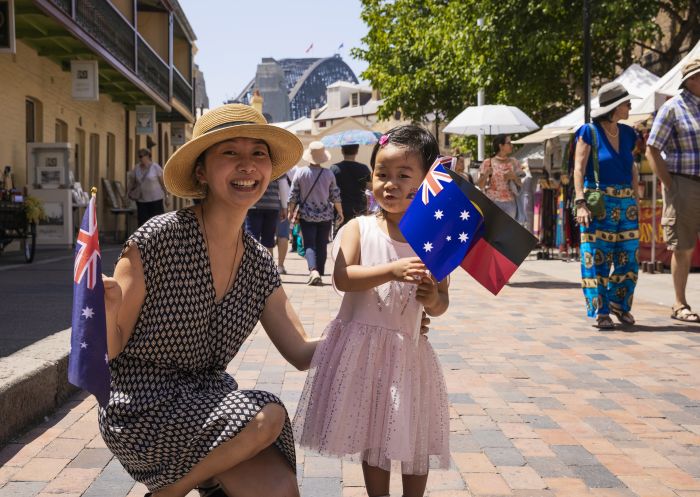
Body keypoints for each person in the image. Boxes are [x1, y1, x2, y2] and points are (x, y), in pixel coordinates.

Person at [99, 104, 320, 497]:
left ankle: (193, 483)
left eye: (258, 154)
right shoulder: (159, 238)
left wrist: (371, 327)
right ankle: (171, 491)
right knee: (266, 414)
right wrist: (108, 308)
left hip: (210, 402)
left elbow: (302, 352)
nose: (248, 165)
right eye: (230, 153)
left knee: (280, 488)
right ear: (201, 170)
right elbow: (111, 351)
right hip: (140, 405)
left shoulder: (257, 262)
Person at [293, 125, 450, 497]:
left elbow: (442, 302)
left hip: (408, 354)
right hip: (362, 355)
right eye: (381, 174)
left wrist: (430, 298)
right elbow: (343, 277)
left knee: (413, 436)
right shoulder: (358, 228)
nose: (389, 184)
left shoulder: (435, 237)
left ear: (426, 182)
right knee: (374, 437)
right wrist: (392, 270)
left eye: (402, 175)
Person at [573, 81, 640, 330]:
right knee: (596, 258)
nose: (630, 105)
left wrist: (635, 197)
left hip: (626, 203)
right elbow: (578, 169)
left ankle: (618, 304)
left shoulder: (628, 133)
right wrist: (580, 202)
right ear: (614, 107)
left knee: (629, 258)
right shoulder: (588, 132)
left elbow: (631, 166)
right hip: (597, 201)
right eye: (626, 103)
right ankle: (601, 310)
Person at [645, 58, 700, 323]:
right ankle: (680, 303)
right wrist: (670, 184)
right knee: (683, 246)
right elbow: (652, 148)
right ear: (692, 80)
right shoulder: (673, 108)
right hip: (684, 182)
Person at [287, 141, 343, 286]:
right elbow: (335, 195)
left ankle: (313, 271)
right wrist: (340, 212)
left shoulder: (300, 173)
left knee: (309, 244)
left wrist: (290, 211)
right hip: (326, 215)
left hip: (306, 215)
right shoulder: (329, 174)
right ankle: (321, 271)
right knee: (322, 244)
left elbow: (293, 195)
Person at [477, 135, 522, 218]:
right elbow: (480, 185)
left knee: (508, 230)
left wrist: (514, 177)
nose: (511, 145)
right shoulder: (488, 162)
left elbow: (521, 185)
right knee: (493, 230)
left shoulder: (514, 162)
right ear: (501, 146)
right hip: (492, 202)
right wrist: (486, 174)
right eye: (508, 143)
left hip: (510, 203)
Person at [330, 143, 371, 228]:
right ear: (357, 151)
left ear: (342, 151)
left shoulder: (334, 168)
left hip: (340, 209)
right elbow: (370, 188)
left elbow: (329, 189)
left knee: (339, 236)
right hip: (359, 208)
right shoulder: (364, 168)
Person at [127, 149, 168, 227]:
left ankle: (157, 238)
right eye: (139, 156)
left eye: (142, 156)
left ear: (148, 156)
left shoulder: (155, 167)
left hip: (156, 200)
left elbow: (163, 183)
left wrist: (166, 196)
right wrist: (128, 194)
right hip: (142, 200)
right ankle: (144, 239)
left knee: (157, 223)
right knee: (143, 223)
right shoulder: (136, 168)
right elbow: (131, 182)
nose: (140, 158)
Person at [245, 178, 284, 256]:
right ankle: (268, 266)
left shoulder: (252, 167)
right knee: (268, 240)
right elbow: (283, 186)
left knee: (252, 239)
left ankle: (252, 265)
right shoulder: (280, 169)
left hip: (254, 205)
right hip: (272, 205)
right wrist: (284, 207)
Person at [275, 169, 293, 274]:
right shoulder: (287, 168)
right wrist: (285, 207)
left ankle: (269, 266)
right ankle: (280, 266)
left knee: (267, 236)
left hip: (263, 202)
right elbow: (285, 185)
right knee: (283, 235)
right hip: (283, 202)